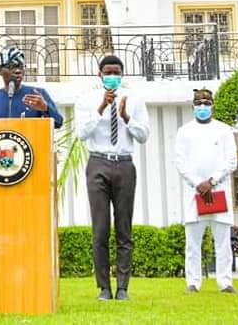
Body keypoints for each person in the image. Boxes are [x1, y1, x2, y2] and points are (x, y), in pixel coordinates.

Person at [74, 55, 150, 301]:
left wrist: (127, 117)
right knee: (100, 229)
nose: (112, 76)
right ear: (99, 74)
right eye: (108, 72)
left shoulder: (135, 99)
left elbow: (143, 135)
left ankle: (123, 288)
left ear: (122, 75)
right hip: (98, 162)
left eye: (116, 72)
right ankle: (104, 287)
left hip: (124, 165)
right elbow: (82, 133)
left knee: (124, 229)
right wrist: (102, 108)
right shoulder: (86, 100)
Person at [174, 89, 238, 294]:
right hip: (194, 193)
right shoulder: (184, 131)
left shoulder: (224, 130)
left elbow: (231, 161)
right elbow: (180, 162)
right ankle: (193, 282)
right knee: (193, 243)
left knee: (222, 242)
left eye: (206, 103)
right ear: (193, 106)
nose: (203, 107)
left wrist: (211, 182)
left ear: (213, 105)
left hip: (219, 191)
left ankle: (225, 282)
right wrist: (198, 184)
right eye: (199, 103)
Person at [0, 46, 63, 129]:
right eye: (11, 67)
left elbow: (58, 123)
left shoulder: (37, 95)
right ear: (0, 70)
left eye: (21, 66)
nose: (18, 71)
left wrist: (45, 108)